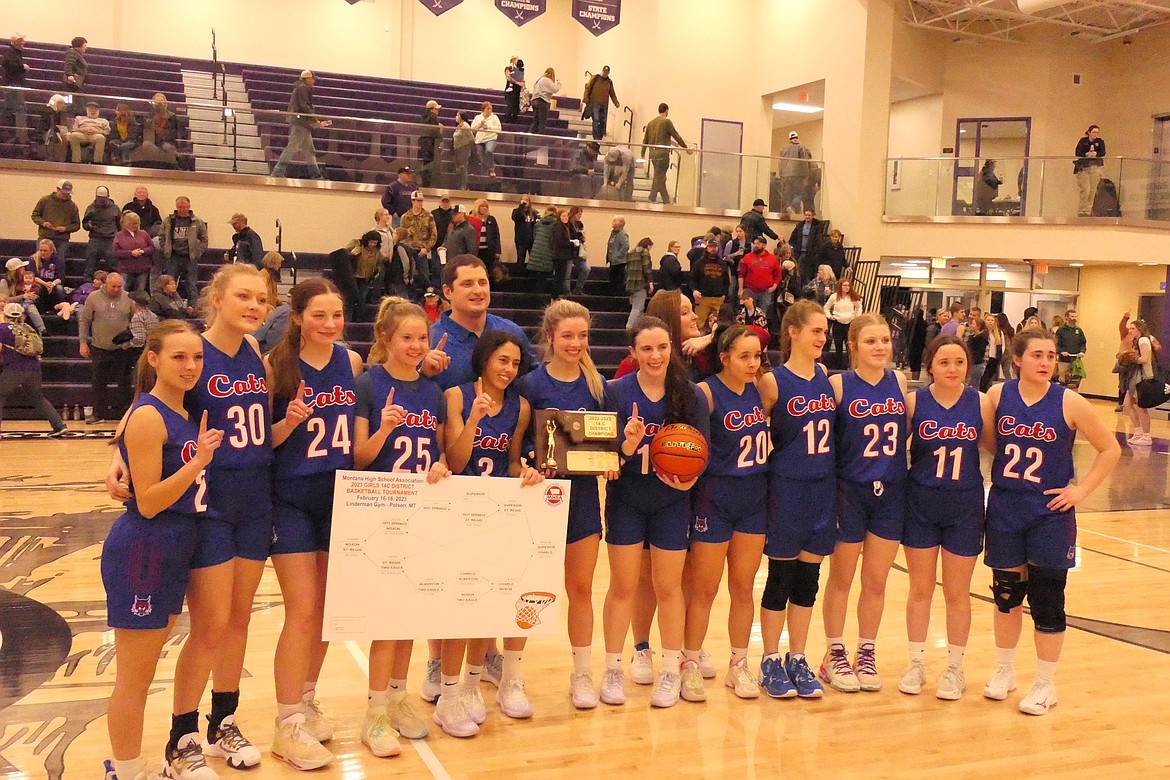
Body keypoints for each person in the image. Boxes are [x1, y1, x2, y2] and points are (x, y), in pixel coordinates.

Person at [100, 320, 224, 780]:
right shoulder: (150, 414)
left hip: (176, 545)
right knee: (135, 676)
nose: (191, 366)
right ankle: (127, 770)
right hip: (146, 547)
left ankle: (141, 764)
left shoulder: (183, 411)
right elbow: (148, 502)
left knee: (146, 669)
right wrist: (197, 463)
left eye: (196, 357)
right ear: (153, 359)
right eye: (178, 357)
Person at [983, 329, 1120, 715]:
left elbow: (1110, 448)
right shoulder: (998, 396)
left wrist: (1080, 491)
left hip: (1050, 514)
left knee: (1047, 598)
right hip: (1007, 507)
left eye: (1051, 355)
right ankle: (1004, 671)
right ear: (1018, 360)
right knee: (1006, 595)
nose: (1046, 362)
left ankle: (1045, 683)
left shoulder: (1070, 401)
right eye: (1037, 355)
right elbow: (993, 445)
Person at [265, 278, 363, 770]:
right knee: (302, 610)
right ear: (298, 316)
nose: (329, 324)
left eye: (337, 316)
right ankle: (287, 725)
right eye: (319, 316)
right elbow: (261, 441)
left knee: (327, 610)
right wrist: (289, 422)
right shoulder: (275, 366)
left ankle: (306, 698)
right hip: (291, 498)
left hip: (339, 496)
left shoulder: (353, 362)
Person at [353, 297, 450, 756]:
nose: (415, 345)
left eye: (421, 339)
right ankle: (373, 713)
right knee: (386, 617)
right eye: (406, 338)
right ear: (386, 340)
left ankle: (396, 697)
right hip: (381, 513)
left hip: (422, 512)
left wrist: (442, 468)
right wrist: (384, 429)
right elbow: (358, 458)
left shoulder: (433, 391)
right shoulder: (369, 385)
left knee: (410, 613)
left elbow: (441, 453)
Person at [437, 332, 544, 736]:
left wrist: (527, 473)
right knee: (461, 607)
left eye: (515, 363)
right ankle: (449, 695)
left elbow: (512, 462)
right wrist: (476, 419)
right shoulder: (457, 397)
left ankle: (471, 684)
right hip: (461, 511)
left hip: (500, 512)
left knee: (493, 602)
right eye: (502, 360)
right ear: (484, 360)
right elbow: (458, 459)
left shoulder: (520, 406)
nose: (508, 369)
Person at [602, 315, 710, 709]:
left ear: (672, 349)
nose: (655, 355)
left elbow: (702, 453)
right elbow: (604, 458)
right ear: (633, 352)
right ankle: (613, 668)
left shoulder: (691, 395)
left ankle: (670, 669)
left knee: (669, 588)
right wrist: (628, 445)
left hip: (671, 502)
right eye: (646, 348)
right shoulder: (614, 393)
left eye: (662, 347)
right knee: (623, 586)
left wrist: (687, 479)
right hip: (627, 498)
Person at [515, 300, 609, 709]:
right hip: (538, 500)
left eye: (583, 336)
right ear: (550, 336)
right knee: (527, 591)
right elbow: (514, 448)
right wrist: (523, 466)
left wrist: (611, 461)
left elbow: (607, 444)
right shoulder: (530, 385)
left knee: (581, 589)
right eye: (568, 336)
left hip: (583, 500)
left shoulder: (597, 386)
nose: (576, 343)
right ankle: (512, 677)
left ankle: (583, 673)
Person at [899, 335, 993, 701]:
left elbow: (994, 447)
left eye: (959, 362)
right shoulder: (913, 402)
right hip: (921, 503)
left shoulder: (981, 403)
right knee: (920, 590)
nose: (952, 369)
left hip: (965, 506)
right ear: (930, 366)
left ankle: (955, 667)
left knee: (957, 593)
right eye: (944, 362)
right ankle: (916, 662)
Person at [819, 313, 908, 694]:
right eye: (871, 341)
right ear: (853, 345)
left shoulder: (900, 381)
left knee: (876, 580)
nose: (880, 347)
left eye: (885, 340)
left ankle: (866, 651)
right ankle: (833, 652)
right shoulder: (838, 384)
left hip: (890, 491)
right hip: (848, 491)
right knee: (841, 577)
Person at [754, 300, 836, 699]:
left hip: (822, 489)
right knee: (780, 578)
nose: (822, 337)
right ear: (793, 332)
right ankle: (770, 658)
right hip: (787, 487)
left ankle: (797, 656)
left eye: (824, 331)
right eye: (816, 331)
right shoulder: (772, 381)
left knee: (808, 579)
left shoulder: (826, 376)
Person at [683, 325, 769, 701]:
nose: (752, 364)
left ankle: (738, 663)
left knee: (743, 587)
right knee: (704, 589)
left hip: (754, 498)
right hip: (714, 499)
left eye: (756, 356)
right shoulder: (705, 393)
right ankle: (688, 662)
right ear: (724, 358)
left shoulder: (762, 389)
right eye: (744, 357)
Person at [426, 255, 537, 392]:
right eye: (467, 284)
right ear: (447, 291)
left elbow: (535, 380)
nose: (478, 291)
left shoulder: (511, 332)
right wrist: (422, 373)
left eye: (483, 283)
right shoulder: (429, 339)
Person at [0, 302, 67, 436]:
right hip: (34, 368)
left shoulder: (2, 328)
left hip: (14, 368)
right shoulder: (28, 328)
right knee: (38, 398)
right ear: (21, 315)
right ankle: (59, 425)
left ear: (5, 314)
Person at [79, 272, 134, 422]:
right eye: (113, 286)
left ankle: (125, 414)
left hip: (122, 348)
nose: (117, 289)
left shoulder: (128, 298)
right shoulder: (93, 297)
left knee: (124, 382)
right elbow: (84, 321)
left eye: (119, 286)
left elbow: (134, 320)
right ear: (106, 284)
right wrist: (83, 342)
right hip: (100, 345)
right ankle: (98, 414)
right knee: (98, 381)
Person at [271, 71, 329, 179]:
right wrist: (315, 120)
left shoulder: (299, 88)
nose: (314, 81)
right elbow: (305, 106)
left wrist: (313, 121)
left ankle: (315, 175)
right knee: (292, 147)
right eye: (312, 78)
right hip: (300, 124)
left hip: (302, 123)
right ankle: (278, 171)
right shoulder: (302, 88)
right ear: (307, 78)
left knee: (309, 150)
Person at [160, 197, 209, 300]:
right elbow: (162, 236)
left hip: (190, 257)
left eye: (184, 207)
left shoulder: (197, 222)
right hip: (173, 256)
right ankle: (170, 306)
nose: (182, 209)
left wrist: (197, 252)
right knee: (169, 284)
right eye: (179, 207)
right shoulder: (168, 221)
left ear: (189, 207)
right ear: (176, 207)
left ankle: (193, 307)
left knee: (191, 284)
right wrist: (166, 249)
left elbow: (204, 239)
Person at [641, 104, 689, 205]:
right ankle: (652, 197)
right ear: (666, 110)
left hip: (653, 155)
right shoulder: (666, 122)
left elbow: (645, 140)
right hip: (663, 155)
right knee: (659, 177)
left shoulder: (651, 123)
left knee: (660, 176)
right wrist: (685, 148)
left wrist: (642, 154)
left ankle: (666, 200)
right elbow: (676, 135)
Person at [1123, 319, 1155, 446]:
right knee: (1127, 403)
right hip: (1135, 376)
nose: (1130, 331)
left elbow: (1145, 359)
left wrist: (1131, 358)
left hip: (1142, 376)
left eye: (1132, 329)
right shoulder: (1136, 341)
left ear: (1139, 329)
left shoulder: (1143, 340)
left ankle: (1146, 436)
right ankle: (1138, 432)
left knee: (1141, 407)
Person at [400, 192, 439, 293]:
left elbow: (434, 234)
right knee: (409, 276)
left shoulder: (428, 216)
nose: (420, 203)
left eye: (421, 201)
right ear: (412, 201)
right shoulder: (405, 217)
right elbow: (402, 234)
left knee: (425, 277)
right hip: (409, 250)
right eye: (417, 201)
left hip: (422, 251)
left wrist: (426, 248)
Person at [31, 179, 80, 259]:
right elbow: (35, 215)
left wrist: (65, 228)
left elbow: (76, 225)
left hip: (62, 240)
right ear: (58, 189)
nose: (66, 195)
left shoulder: (72, 206)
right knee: (41, 260)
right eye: (64, 192)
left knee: (60, 261)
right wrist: (44, 223)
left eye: (67, 193)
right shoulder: (45, 200)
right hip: (45, 237)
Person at [81, 184, 120, 280]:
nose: (101, 201)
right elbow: (84, 223)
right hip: (95, 238)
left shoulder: (115, 208)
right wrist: (88, 226)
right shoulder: (91, 208)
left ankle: (113, 284)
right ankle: (88, 287)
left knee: (112, 266)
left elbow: (119, 224)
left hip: (110, 239)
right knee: (90, 265)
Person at [692, 238, 729, 328]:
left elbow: (726, 281)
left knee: (719, 324)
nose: (713, 248)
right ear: (707, 248)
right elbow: (692, 279)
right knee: (698, 324)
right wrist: (694, 290)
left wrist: (724, 294)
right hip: (703, 298)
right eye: (711, 246)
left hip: (719, 299)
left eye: (715, 246)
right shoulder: (699, 263)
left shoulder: (723, 263)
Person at [113, 212, 155, 293]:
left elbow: (152, 247)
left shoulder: (143, 234)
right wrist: (131, 253)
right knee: (123, 290)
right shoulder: (119, 235)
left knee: (140, 292)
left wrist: (143, 251)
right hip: (126, 269)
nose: (135, 226)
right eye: (133, 224)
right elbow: (116, 252)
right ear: (127, 224)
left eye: (137, 223)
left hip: (143, 268)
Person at [738, 236, 780, 312]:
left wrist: (774, 286)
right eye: (754, 243)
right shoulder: (747, 257)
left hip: (766, 292)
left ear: (764, 245)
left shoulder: (773, 259)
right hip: (750, 290)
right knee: (749, 312)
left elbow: (778, 275)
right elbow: (741, 274)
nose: (755, 245)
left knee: (763, 313)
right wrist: (740, 289)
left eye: (758, 243)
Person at [1, 33, 30, 145]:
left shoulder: (15, 53)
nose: (24, 42)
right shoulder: (11, 53)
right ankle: (22, 137)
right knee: (20, 108)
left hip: (12, 84)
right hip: (13, 85)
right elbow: (5, 63)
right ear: (16, 41)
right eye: (21, 40)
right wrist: (22, 67)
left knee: (7, 110)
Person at [139, 93, 182, 169]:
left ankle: (177, 170)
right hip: (152, 142)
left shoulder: (172, 117)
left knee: (167, 147)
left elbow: (174, 133)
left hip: (166, 141)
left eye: (161, 102)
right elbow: (144, 131)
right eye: (157, 103)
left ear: (166, 104)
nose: (159, 105)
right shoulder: (148, 116)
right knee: (146, 145)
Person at [824, 278, 862, 356]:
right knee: (838, 345)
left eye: (848, 285)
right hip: (838, 323)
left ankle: (849, 364)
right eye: (844, 285)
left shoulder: (852, 296)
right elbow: (826, 308)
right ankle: (839, 365)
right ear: (840, 286)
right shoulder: (834, 296)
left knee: (849, 346)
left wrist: (856, 317)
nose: (847, 287)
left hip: (849, 323)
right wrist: (829, 316)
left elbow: (859, 307)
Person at [1074, 125, 1105, 217]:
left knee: (1092, 190)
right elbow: (1078, 152)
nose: (1095, 134)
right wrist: (1086, 154)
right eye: (1093, 132)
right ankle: (1081, 210)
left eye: (1097, 132)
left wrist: (1096, 154)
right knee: (1086, 189)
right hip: (1084, 167)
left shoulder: (1100, 142)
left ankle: (1088, 210)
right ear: (1089, 132)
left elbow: (1103, 152)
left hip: (1095, 167)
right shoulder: (1083, 141)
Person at [790, 210, 828, 283]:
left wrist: (814, 250)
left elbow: (818, 240)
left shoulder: (817, 226)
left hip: (811, 254)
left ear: (813, 216)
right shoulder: (800, 225)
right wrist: (794, 246)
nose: (807, 217)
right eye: (806, 215)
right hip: (799, 252)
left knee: (808, 272)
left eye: (809, 215)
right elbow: (793, 237)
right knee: (799, 270)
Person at [582, 65, 620, 141]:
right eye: (604, 72)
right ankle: (596, 138)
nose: (605, 73)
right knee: (596, 120)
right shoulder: (595, 78)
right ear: (602, 71)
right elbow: (588, 88)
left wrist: (616, 103)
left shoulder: (609, 82)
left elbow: (612, 93)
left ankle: (599, 138)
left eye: (606, 72)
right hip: (594, 103)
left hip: (604, 105)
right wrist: (585, 99)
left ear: (608, 73)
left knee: (602, 121)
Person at [779, 131, 812, 214]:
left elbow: (780, 163)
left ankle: (789, 210)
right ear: (797, 137)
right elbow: (804, 162)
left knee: (789, 194)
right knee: (799, 194)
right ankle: (792, 207)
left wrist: (781, 174)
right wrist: (806, 175)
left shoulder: (784, 148)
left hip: (786, 175)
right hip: (798, 175)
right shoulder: (801, 147)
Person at [527, 206, 558, 293]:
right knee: (543, 278)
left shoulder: (538, 223)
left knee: (536, 276)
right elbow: (553, 240)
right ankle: (540, 296)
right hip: (547, 252)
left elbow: (534, 236)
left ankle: (534, 294)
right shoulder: (555, 225)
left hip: (536, 251)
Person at [550, 208, 580, 298]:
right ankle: (554, 298)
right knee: (558, 279)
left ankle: (556, 297)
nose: (565, 218)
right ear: (559, 217)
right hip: (559, 256)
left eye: (566, 216)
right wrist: (572, 244)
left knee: (560, 278)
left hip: (563, 256)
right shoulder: (558, 227)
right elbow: (560, 241)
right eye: (563, 216)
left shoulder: (566, 226)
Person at [625, 237, 654, 328]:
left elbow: (627, 269)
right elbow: (646, 268)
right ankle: (629, 327)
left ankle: (638, 328)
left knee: (638, 308)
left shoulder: (630, 252)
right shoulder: (644, 252)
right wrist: (650, 281)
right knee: (637, 308)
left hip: (630, 284)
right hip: (640, 284)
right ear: (648, 245)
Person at [472, 199, 502, 280]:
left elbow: (496, 235)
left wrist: (497, 251)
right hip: (476, 251)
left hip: (488, 251)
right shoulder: (472, 219)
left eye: (486, 206)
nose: (484, 208)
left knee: (488, 272)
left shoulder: (491, 219)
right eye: (482, 206)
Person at [1055, 309, 1086, 386]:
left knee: (1075, 381)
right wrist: (1061, 352)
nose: (1074, 318)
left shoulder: (1078, 330)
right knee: (1063, 380)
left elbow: (1083, 343)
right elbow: (1056, 344)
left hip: (1076, 361)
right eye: (1072, 316)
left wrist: (1082, 352)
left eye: (1075, 316)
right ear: (1066, 317)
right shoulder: (1061, 330)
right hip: (1064, 361)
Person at [471, 102, 501, 177]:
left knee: (489, 151)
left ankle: (491, 169)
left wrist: (488, 127)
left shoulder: (495, 118)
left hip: (491, 138)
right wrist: (480, 124)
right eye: (488, 109)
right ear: (483, 109)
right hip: (479, 140)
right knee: (482, 157)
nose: (489, 110)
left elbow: (499, 129)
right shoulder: (478, 117)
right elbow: (472, 129)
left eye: (491, 109)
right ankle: (484, 174)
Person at [39, 93, 71, 162]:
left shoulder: (58, 113)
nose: (62, 105)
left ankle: (61, 159)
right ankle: (57, 159)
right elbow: (50, 125)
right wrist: (59, 132)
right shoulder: (48, 111)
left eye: (63, 103)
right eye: (60, 103)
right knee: (60, 139)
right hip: (46, 132)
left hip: (55, 131)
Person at [981, 312, 1009, 391]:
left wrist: (1000, 355)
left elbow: (1002, 345)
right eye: (988, 320)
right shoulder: (983, 332)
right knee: (983, 377)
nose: (990, 322)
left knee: (989, 377)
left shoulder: (999, 333)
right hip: (984, 358)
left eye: (992, 320)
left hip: (993, 358)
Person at [529, 68, 561, 135]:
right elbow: (554, 89)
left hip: (534, 100)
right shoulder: (547, 80)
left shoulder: (538, 79)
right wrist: (558, 83)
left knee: (535, 121)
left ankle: (530, 136)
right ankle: (540, 138)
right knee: (542, 122)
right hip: (542, 101)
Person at [419, 100, 442, 187]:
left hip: (424, 143)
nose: (437, 111)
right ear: (431, 109)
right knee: (430, 164)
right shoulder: (433, 117)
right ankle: (428, 183)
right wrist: (440, 136)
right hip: (431, 144)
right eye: (436, 109)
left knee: (425, 163)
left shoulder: (424, 118)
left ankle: (425, 182)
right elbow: (435, 131)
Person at [510, 196, 536, 272]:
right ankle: (519, 274)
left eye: (527, 200)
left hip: (531, 239)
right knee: (521, 258)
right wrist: (521, 206)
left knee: (533, 259)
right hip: (520, 239)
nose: (525, 201)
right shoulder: (516, 211)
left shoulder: (533, 213)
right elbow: (515, 217)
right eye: (523, 200)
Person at [606, 216, 630, 294]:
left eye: (614, 221)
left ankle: (618, 295)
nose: (612, 223)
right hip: (613, 260)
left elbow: (626, 246)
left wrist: (617, 255)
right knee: (612, 280)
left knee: (618, 281)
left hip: (619, 262)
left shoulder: (622, 234)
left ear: (619, 223)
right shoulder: (613, 233)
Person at [966, 316, 990, 389]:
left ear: (978, 326)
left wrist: (972, 360)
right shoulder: (972, 337)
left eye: (973, 324)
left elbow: (979, 353)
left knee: (974, 384)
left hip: (977, 364)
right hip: (972, 363)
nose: (971, 325)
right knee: (970, 383)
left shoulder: (982, 338)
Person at [452, 112, 474, 189]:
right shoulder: (458, 126)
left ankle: (464, 185)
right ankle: (459, 184)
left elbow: (471, 138)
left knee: (463, 167)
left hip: (464, 149)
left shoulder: (465, 126)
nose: (456, 117)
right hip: (457, 148)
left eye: (457, 115)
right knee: (458, 168)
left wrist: (466, 144)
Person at [503, 56, 524, 123]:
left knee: (516, 106)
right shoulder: (508, 68)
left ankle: (514, 119)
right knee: (510, 105)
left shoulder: (520, 70)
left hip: (518, 90)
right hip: (511, 90)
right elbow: (508, 77)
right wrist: (517, 82)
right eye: (515, 59)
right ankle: (507, 119)